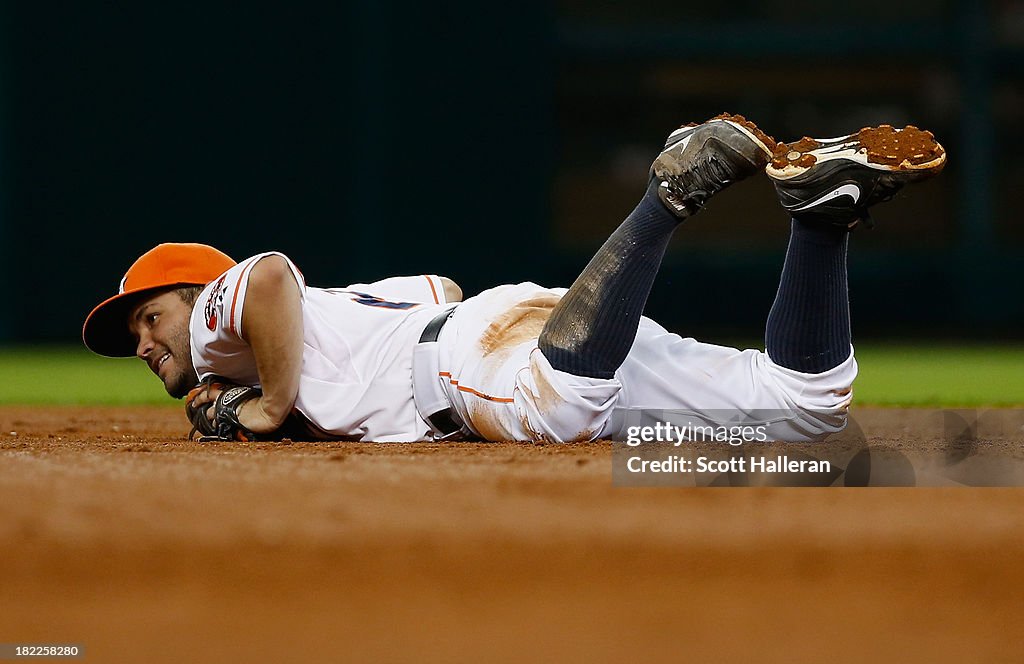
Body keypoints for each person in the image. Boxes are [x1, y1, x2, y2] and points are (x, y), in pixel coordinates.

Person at [82, 113, 946, 443]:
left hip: (482, 366)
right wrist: (246, 402)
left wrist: (269, 406)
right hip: (520, 323)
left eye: (148, 316)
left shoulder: (220, 315)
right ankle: (822, 215)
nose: (145, 340)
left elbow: (266, 276)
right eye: (133, 339)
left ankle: (668, 194)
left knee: (560, 410)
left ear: (198, 296)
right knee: (801, 408)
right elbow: (442, 289)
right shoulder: (326, 319)